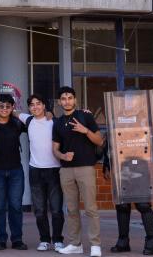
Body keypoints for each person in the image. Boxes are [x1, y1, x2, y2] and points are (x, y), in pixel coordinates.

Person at [52, 86, 104, 257]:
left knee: (90, 208)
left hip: (85, 168)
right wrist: (62, 155)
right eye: (63, 98)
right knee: (72, 209)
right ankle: (75, 244)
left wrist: (85, 130)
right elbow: (55, 149)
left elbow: (100, 141)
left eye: (69, 98)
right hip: (66, 170)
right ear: (60, 102)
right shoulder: (58, 122)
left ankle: (95, 245)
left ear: (75, 99)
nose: (66, 101)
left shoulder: (85, 116)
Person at [19, 94, 64, 252]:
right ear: (29, 108)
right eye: (32, 104)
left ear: (44, 105)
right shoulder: (28, 120)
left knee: (57, 208)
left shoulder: (54, 121)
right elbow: (12, 112)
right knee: (39, 210)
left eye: (38, 104)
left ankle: (58, 240)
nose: (35, 107)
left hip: (54, 170)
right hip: (35, 170)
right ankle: (44, 239)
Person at [101, 135, 153, 255]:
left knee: (143, 205)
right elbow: (110, 146)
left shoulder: (142, 119)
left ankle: (151, 243)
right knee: (122, 206)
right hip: (120, 166)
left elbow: (151, 142)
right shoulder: (115, 121)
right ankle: (123, 242)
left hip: (141, 166)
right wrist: (106, 165)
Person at [0, 94, 27, 251]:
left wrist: (50, 113)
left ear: (12, 108)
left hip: (15, 171)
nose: (4, 109)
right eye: (1, 106)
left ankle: (17, 239)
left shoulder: (17, 123)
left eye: (8, 106)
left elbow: (38, 120)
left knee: (16, 206)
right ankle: (1, 239)